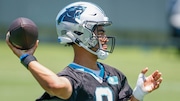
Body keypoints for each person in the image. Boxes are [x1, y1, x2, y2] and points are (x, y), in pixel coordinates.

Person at [6, 1, 162, 101]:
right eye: (99, 31)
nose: (105, 38)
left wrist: (139, 94)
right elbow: (54, 85)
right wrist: (26, 57)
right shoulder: (73, 79)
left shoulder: (115, 76)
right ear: (79, 34)